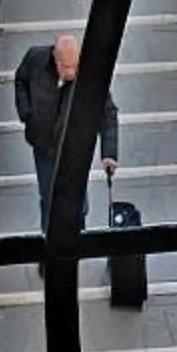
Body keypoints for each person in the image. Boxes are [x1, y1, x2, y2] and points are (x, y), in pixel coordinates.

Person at [12, 33, 118, 229]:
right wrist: (26, 113)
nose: (71, 72)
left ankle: (77, 235)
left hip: (75, 147)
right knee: (48, 195)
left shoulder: (89, 74)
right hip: (44, 144)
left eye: (75, 66)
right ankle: (48, 238)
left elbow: (108, 113)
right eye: (66, 67)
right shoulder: (36, 59)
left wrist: (109, 153)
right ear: (56, 58)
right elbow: (21, 80)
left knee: (76, 197)